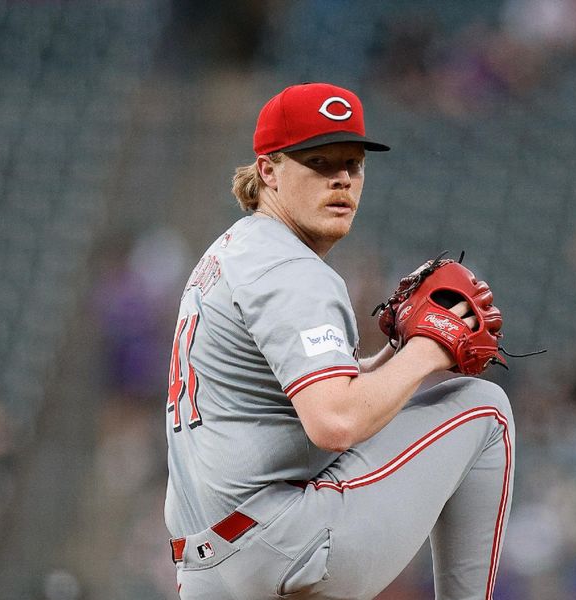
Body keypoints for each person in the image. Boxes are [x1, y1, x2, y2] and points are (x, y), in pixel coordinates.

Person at [164, 82, 515, 600]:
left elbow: (317, 400)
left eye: (353, 164)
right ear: (268, 170)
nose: (342, 180)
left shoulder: (236, 250)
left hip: (209, 567)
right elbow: (335, 422)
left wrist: (396, 353)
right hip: (276, 546)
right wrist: (429, 348)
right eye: (320, 162)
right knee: (486, 411)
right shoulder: (292, 269)